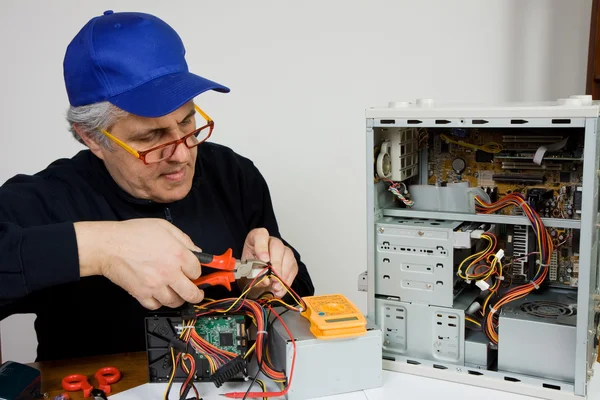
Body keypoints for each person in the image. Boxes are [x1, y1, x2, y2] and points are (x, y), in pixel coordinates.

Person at [0, 10, 314, 362]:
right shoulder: (46, 199)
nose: (181, 153)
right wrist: (100, 248)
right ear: (92, 138)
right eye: (151, 137)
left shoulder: (233, 175)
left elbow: (298, 304)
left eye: (187, 122)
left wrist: (262, 286)